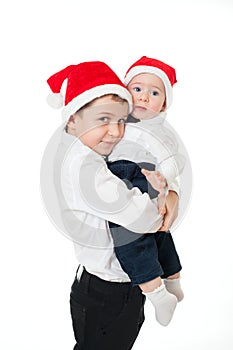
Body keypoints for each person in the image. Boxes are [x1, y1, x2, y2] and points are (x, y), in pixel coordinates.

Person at [45, 61, 174, 349]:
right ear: (72, 119)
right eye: (103, 120)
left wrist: (168, 188)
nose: (115, 131)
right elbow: (142, 218)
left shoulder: (88, 149)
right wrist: (163, 202)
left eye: (120, 120)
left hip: (106, 285)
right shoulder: (85, 168)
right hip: (108, 292)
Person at [108, 56, 186, 326]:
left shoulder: (161, 130)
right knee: (152, 234)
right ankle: (170, 281)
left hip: (141, 176)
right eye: (137, 89)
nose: (143, 97)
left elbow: (175, 160)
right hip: (125, 178)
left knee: (140, 235)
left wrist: (165, 180)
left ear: (163, 104)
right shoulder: (115, 118)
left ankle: (160, 290)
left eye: (154, 93)